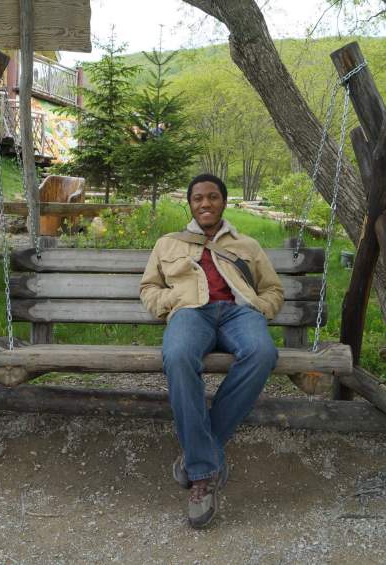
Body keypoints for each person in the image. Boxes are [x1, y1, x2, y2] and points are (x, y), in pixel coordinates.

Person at [139, 173, 284, 528]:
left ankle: (198, 455)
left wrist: (258, 308)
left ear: (224, 201)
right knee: (177, 356)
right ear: (190, 204)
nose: (205, 203)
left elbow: (273, 289)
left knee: (262, 353)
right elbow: (149, 288)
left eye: (213, 197)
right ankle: (205, 473)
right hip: (191, 313)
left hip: (238, 314)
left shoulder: (247, 244)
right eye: (198, 198)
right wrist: (173, 301)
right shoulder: (167, 244)